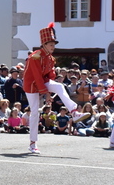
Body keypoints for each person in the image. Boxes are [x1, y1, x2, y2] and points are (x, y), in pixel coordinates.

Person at [22, 23, 82, 154]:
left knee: (59, 86)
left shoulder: (50, 58)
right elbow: (37, 77)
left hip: (42, 82)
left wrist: (50, 86)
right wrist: (47, 94)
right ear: (44, 44)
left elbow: (50, 76)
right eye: (51, 44)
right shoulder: (35, 57)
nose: (53, 47)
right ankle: (32, 143)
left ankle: (74, 111)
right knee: (35, 112)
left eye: (54, 44)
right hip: (31, 85)